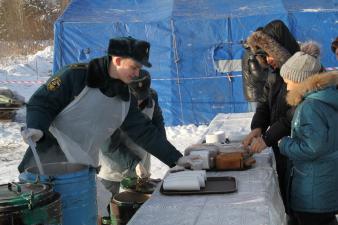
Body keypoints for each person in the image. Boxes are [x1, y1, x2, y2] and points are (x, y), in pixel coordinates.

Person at [18, 36, 198, 174]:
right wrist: (36, 126)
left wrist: (176, 159)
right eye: (134, 67)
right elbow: (41, 102)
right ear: (118, 60)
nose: (137, 73)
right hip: (45, 163)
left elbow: (144, 132)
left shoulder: (124, 97)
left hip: (81, 169)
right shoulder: (76, 76)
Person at [279, 41, 338, 225]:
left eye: (288, 81)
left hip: (312, 193)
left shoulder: (310, 107)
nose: (287, 87)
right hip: (321, 187)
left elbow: (313, 147)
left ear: (301, 81)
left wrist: (285, 144)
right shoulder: (323, 99)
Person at [242, 20, 300, 209]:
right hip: (282, 145)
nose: (267, 60)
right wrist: (257, 127)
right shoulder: (275, 72)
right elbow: (264, 102)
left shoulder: (301, 72)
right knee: (286, 196)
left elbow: (294, 114)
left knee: (302, 202)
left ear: (281, 49)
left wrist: (269, 137)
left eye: (269, 54)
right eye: (264, 55)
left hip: (298, 148)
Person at [98, 69, 164, 196]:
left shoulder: (152, 98)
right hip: (112, 169)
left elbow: (157, 123)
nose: (139, 102)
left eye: (142, 97)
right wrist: (134, 163)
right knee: (111, 207)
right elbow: (108, 145)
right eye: (135, 97)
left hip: (140, 168)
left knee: (138, 207)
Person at [241, 27, 269, 112]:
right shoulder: (252, 54)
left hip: (254, 92)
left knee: (255, 120)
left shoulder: (250, 51)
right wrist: (271, 75)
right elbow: (257, 75)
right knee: (257, 121)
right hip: (255, 93)